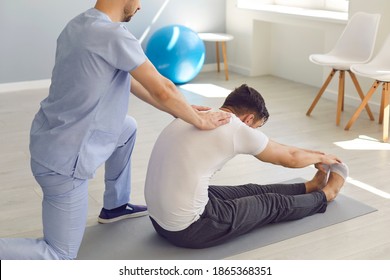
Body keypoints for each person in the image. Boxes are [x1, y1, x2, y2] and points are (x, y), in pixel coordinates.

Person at [0, 0, 230, 260]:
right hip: (65, 163)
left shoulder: (78, 25)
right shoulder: (113, 35)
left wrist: (182, 110)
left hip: (49, 137)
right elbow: (162, 88)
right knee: (59, 255)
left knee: (126, 128)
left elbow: (134, 82)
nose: (140, 6)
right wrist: (199, 121)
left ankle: (115, 206)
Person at [144, 84, 349, 249]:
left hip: (159, 219)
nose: (254, 132)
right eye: (257, 127)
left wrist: (316, 157)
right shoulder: (234, 127)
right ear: (249, 118)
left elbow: (278, 147)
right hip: (188, 229)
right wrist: (322, 156)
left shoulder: (198, 113)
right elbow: (289, 157)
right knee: (270, 203)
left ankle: (311, 186)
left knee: (251, 190)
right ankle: (327, 195)